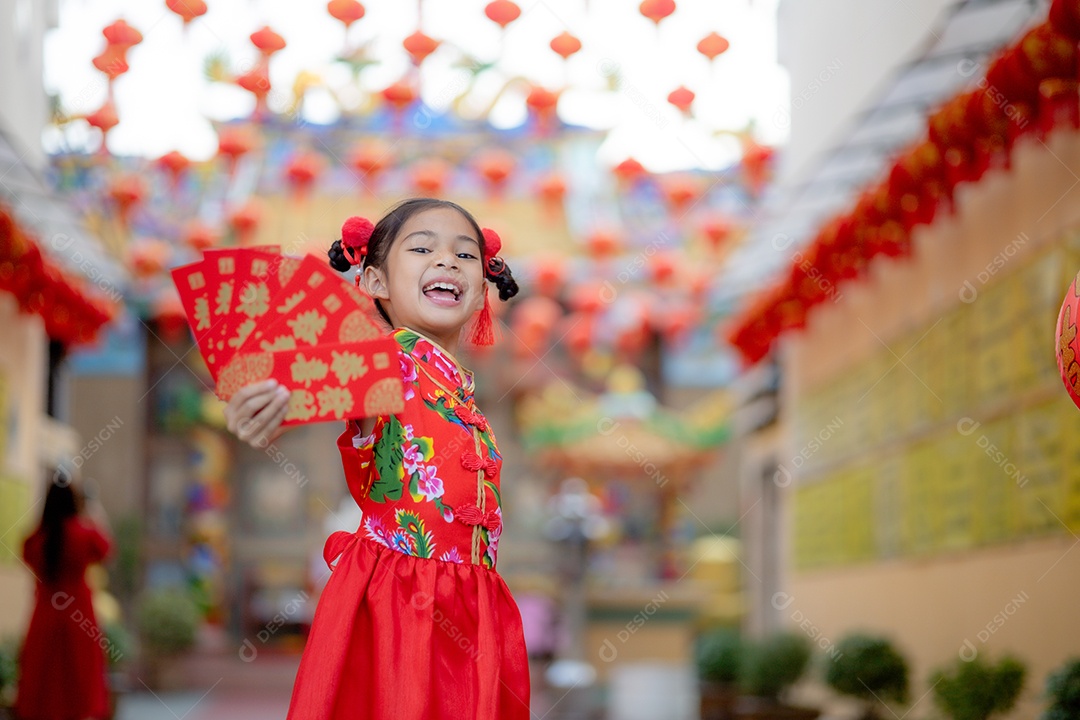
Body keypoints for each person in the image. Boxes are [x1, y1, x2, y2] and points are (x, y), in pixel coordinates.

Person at [224, 198, 530, 719]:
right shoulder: (383, 363)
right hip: (401, 609)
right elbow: (320, 376)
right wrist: (268, 394)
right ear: (374, 282)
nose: (448, 261)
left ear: (482, 290)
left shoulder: (459, 390)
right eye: (422, 248)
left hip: (468, 603)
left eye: (466, 255)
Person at [15, 477, 112, 720]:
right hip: (79, 617)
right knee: (78, 686)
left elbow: (26, 552)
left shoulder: (37, 539)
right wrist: (91, 512)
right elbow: (105, 549)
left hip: (45, 616)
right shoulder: (84, 533)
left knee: (44, 684)